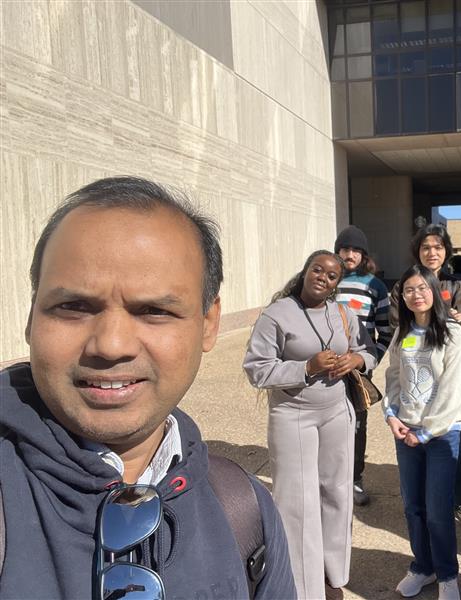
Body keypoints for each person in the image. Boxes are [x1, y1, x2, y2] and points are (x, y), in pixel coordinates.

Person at [0, 176, 296, 599]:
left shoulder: (244, 510)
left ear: (208, 323)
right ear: (32, 317)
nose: (111, 345)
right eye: (74, 306)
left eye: (154, 310)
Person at [243, 250, 376, 600]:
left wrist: (355, 359)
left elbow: (369, 350)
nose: (323, 278)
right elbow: (257, 369)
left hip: (336, 413)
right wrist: (307, 367)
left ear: (336, 285)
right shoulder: (277, 315)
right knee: (297, 502)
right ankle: (303, 588)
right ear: (305, 272)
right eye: (318, 270)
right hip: (294, 416)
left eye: (332, 276)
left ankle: (333, 574)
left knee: (337, 492)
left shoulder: (343, 313)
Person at [384, 265, 461, 600]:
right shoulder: (402, 332)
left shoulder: (452, 332)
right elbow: (394, 376)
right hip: (407, 430)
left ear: (434, 291)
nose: (415, 295)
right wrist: (391, 414)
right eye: (408, 290)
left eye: (422, 288)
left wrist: (427, 431)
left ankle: (447, 574)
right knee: (413, 506)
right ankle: (423, 567)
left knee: (437, 510)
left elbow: (455, 388)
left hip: (441, 433)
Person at [389, 224, 461, 523]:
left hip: (447, 371)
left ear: (446, 252)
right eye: (426, 247)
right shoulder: (403, 286)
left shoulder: (456, 286)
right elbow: (399, 323)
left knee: (456, 439)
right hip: (416, 369)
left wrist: (443, 319)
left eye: (438, 247)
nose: (432, 252)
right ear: (417, 251)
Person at [334, 225, 392, 506]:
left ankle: (355, 480)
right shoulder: (328, 281)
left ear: (364, 255)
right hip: (327, 370)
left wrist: (370, 359)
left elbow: (386, 332)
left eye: (356, 250)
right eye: (345, 249)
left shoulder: (375, 286)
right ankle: (331, 480)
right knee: (328, 425)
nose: (350, 254)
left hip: (359, 372)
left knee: (357, 425)